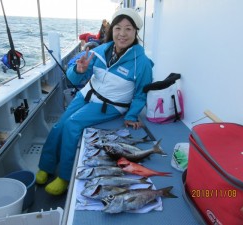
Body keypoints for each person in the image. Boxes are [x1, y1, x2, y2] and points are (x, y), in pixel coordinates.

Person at [35, 8, 154, 196]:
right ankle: (46, 166)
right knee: (59, 126)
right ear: (111, 30)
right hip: (86, 94)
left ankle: (65, 177)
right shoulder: (99, 51)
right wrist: (79, 71)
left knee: (72, 125)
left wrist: (131, 115)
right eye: (118, 28)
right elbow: (73, 79)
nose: (122, 34)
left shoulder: (143, 63)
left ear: (136, 32)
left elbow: (141, 94)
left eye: (128, 29)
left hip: (110, 105)